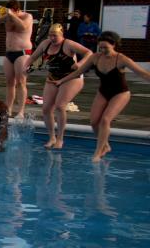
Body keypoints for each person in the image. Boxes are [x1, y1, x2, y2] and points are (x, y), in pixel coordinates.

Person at [55, 31, 150, 162]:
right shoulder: (95, 57)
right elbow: (78, 72)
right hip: (103, 92)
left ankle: (98, 151)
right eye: (101, 47)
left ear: (114, 45)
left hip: (120, 93)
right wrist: (61, 81)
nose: (103, 50)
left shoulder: (121, 59)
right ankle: (105, 145)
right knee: (94, 122)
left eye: (106, 47)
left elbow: (142, 73)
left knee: (105, 120)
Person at [24, 24, 92, 149]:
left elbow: (89, 52)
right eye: (50, 35)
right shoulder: (45, 44)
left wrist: (81, 63)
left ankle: (60, 138)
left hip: (72, 78)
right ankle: (51, 137)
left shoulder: (69, 44)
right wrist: (26, 66)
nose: (52, 38)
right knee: (46, 109)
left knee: (60, 106)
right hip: (53, 78)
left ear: (61, 35)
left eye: (55, 36)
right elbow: (33, 56)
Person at [0, 0, 33, 118]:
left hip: (22, 53)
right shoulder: (7, 17)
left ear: (17, 10)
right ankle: (8, 109)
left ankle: (21, 111)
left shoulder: (27, 16)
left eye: (12, 11)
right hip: (9, 53)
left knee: (21, 82)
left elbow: (23, 27)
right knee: (9, 83)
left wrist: (12, 15)